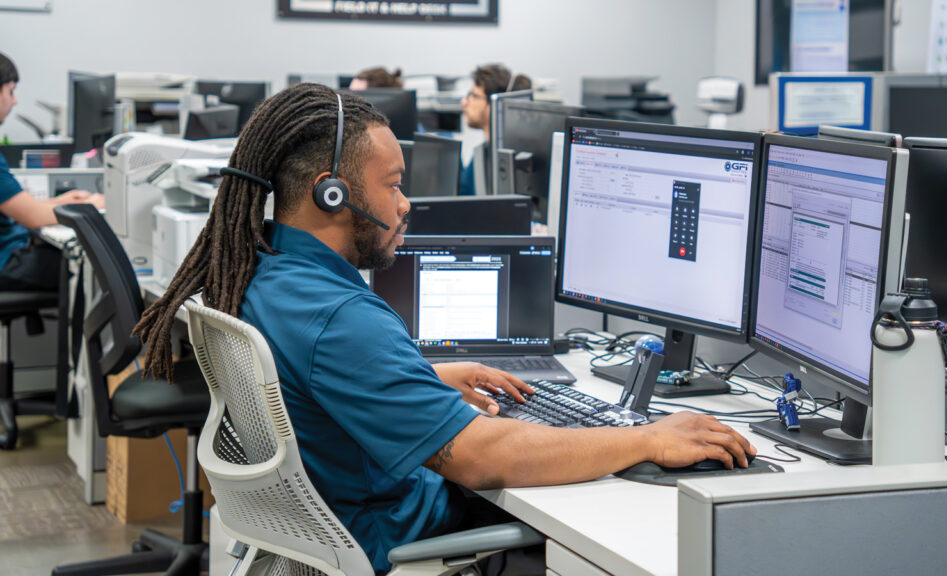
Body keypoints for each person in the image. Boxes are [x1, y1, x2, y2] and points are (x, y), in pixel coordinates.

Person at [134, 83, 754, 573]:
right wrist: (645, 437)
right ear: (330, 195)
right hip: (399, 541)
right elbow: (484, 458)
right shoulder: (343, 320)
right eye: (395, 185)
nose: (406, 204)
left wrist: (419, 379)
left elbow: (313, 380)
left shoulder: (263, 268)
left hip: (332, 524)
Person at [0, 51, 104, 291]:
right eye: (10, 91)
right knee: (85, 265)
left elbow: (21, 207)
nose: (14, 101)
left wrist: (62, 201)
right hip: (6, 262)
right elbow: (33, 217)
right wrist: (91, 207)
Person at [458, 64, 532, 196]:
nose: (464, 102)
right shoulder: (480, 157)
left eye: (473, 96)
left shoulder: (517, 164)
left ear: (495, 104)